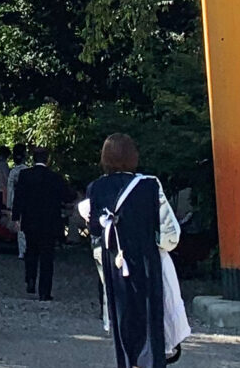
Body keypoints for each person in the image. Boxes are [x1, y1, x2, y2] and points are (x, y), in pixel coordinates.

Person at [80, 133, 182, 368]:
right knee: (148, 321)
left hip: (113, 261)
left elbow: (95, 228)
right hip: (144, 261)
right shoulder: (148, 184)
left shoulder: (96, 188)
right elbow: (170, 234)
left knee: (122, 320)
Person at [12, 146, 72, 302]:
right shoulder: (55, 178)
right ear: (48, 159)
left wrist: (16, 218)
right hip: (49, 222)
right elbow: (67, 196)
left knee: (31, 251)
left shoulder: (25, 176)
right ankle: (44, 291)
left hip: (30, 220)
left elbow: (18, 198)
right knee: (47, 257)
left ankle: (30, 278)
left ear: (33, 159)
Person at [6, 143, 28, 259]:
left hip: (16, 200)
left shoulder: (13, 172)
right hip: (27, 200)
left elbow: (10, 189)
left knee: (20, 227)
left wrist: (9, 204)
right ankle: (27, 249)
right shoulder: (28, 171)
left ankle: (22, 250)